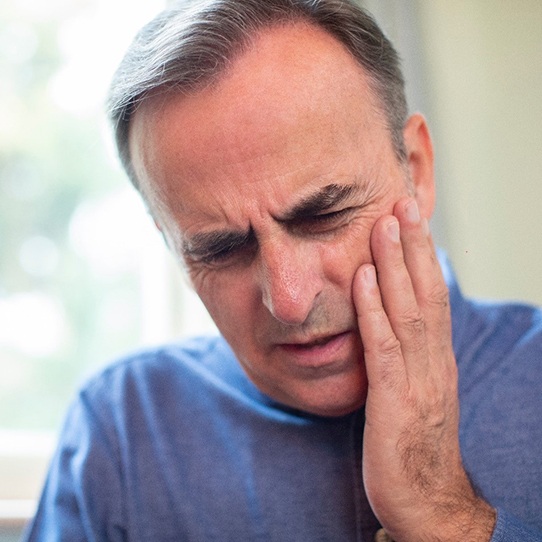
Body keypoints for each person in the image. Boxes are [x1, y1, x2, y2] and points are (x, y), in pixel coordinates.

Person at [24, 0, 542, 540]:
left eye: (324, 215)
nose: (290, 301)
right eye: (220, 248)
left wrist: (444, 517)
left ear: (415, 169)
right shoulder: (119, 432)